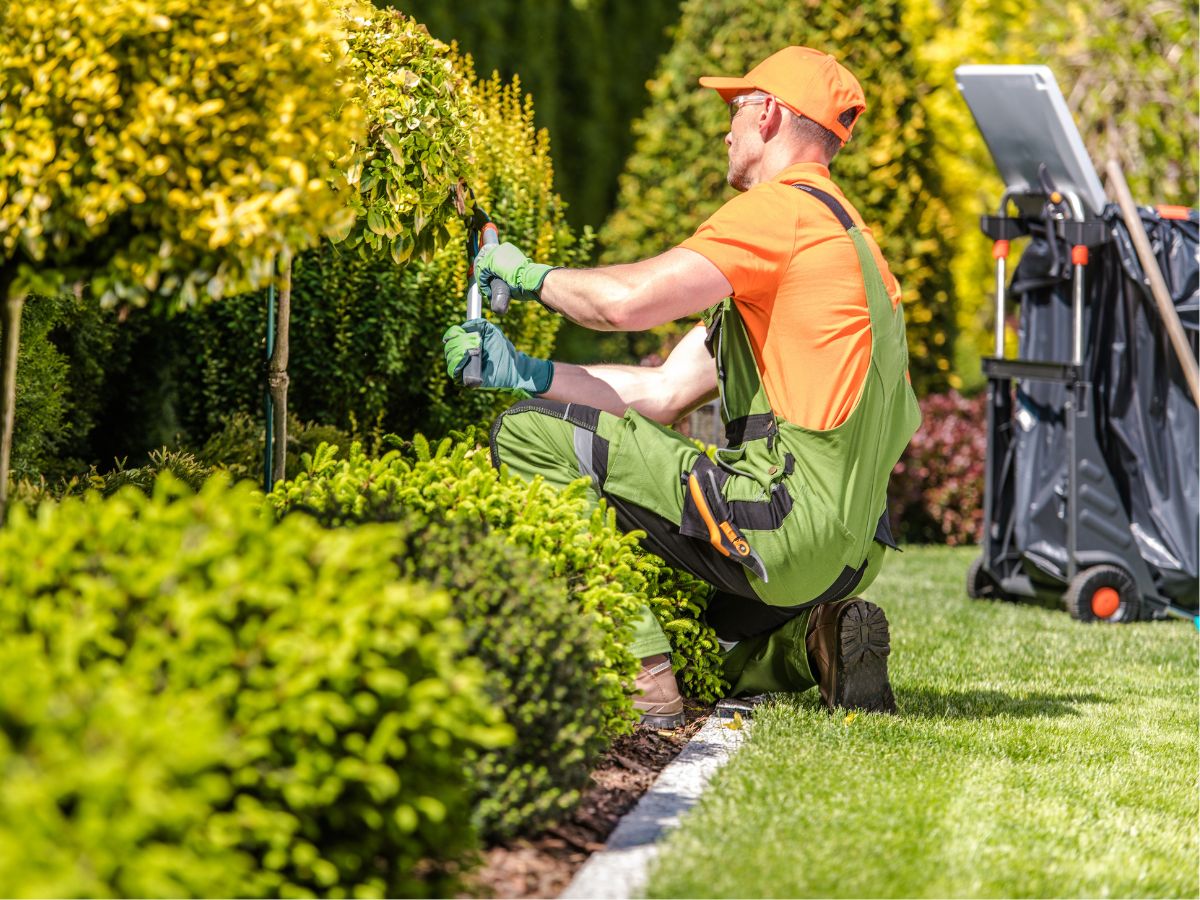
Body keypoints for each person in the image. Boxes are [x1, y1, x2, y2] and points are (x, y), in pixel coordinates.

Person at [442, 46, 921, 727]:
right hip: (847, 554)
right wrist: (524, 372)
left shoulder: (779, 212)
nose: (725, 129)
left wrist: (527, 275)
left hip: (782, 524)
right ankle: (811, 646)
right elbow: (664, 392)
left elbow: (624, 304)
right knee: (685, 616)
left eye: (735, 110)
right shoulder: (849, 244)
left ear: (771, 115)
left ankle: (642, 681)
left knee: (525, 434)